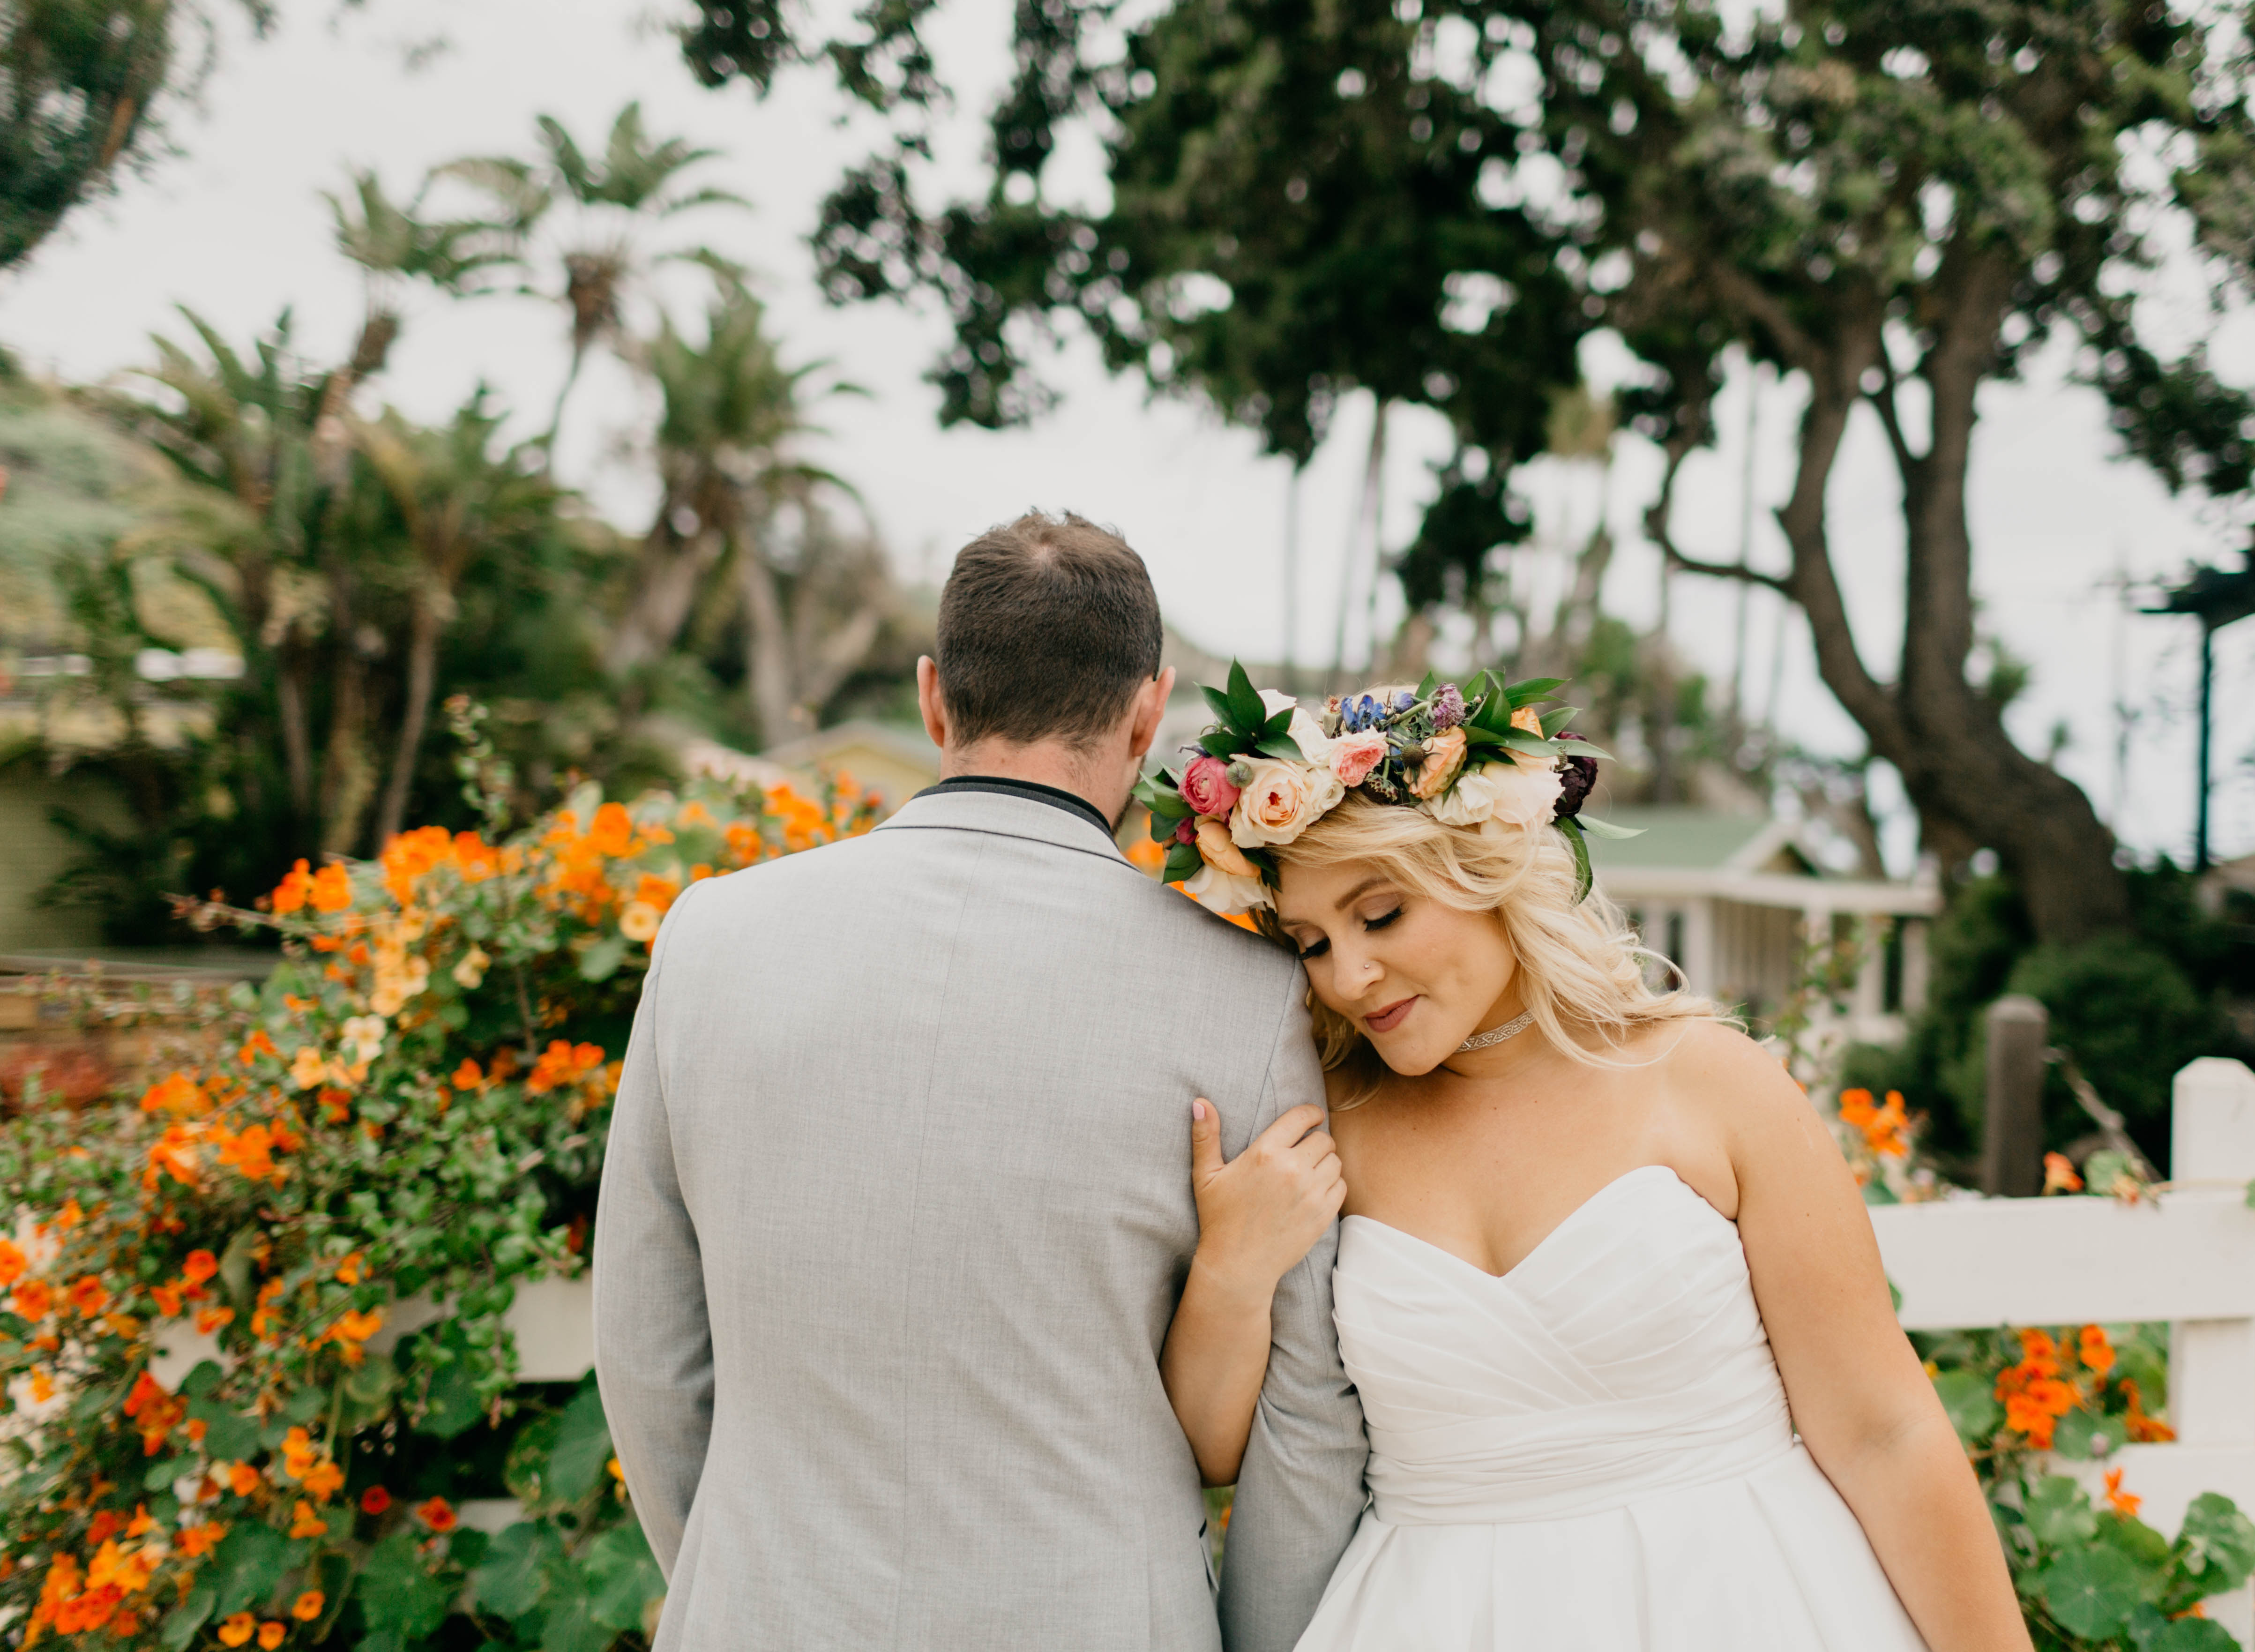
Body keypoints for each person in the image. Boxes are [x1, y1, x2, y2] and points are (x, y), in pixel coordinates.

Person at [594, 513, 1367, 1651]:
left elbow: (650, 1354)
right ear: (1149, 713)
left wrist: (733, 1586)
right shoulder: (1246, 995)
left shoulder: (711, 938)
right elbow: (1307, 1418)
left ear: (933, 698)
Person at [1142, 670, 2034, 1652]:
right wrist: (1230, 1265)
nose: (1348, 977)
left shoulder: (1706, 1081)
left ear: (1488, 869)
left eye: (1382, 915)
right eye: (1309, 943)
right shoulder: (1326, 1125)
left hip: (1745, 1603)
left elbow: (1884, 1434)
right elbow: (1217, 1446)